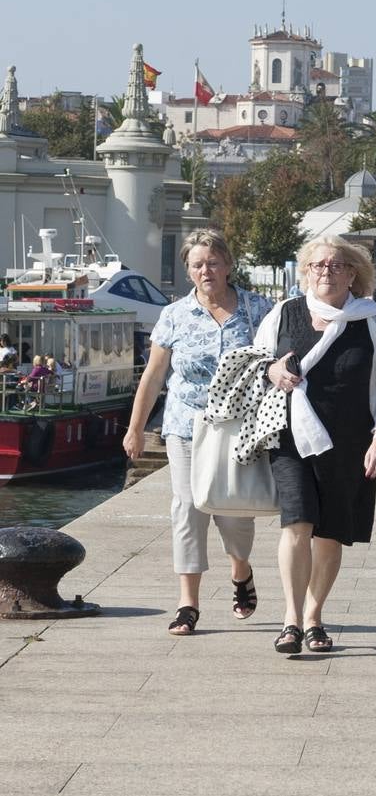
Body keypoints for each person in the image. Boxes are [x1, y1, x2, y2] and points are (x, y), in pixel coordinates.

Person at [122, 229, 272, 636]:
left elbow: (278, 361)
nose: (206, 270)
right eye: (197, 264)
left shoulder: (258, 309)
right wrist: (135, 428)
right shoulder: (174, 315)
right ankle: (188, 603)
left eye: (213, 262)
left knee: (232, 511)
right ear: (188, 270)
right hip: (185, 426)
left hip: (240, 427)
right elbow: (153, 376)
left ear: (228, 265)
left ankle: (241, 570)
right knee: (188, 506)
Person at [259, 235, 376, 654]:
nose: (327, 271)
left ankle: (314, 617)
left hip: (350, 440)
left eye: (337, 265)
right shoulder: (284, 313)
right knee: (297, 522)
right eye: (318, 265)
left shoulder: (371, 320)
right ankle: (290, 619)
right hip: (290, 436)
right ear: (305, 271)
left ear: (353, 273)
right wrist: (271, 372)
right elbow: (255, 359)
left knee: (330, 534)